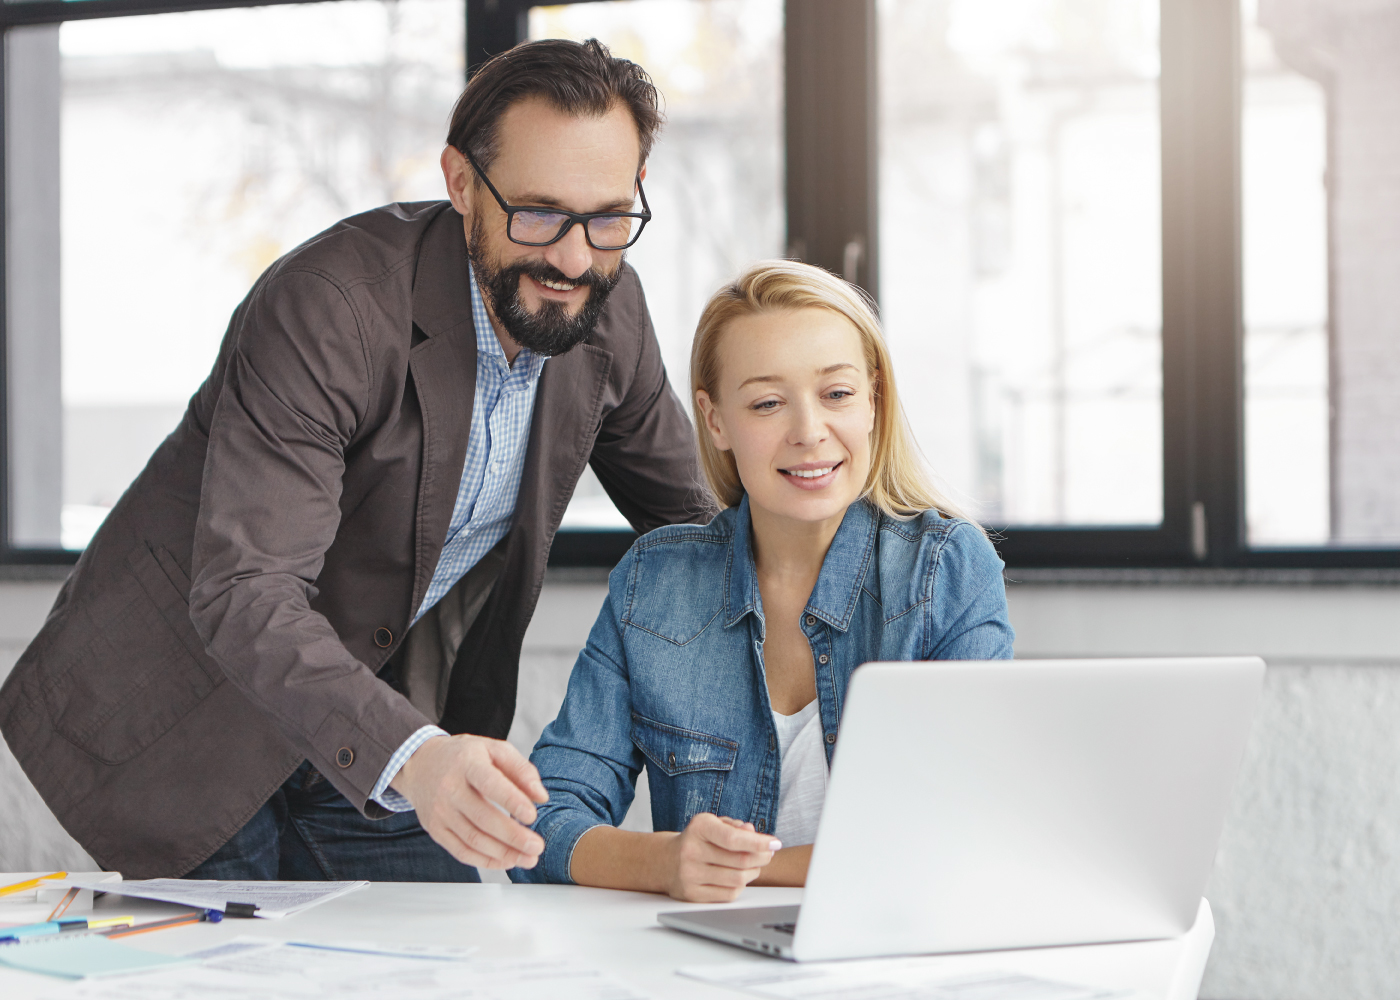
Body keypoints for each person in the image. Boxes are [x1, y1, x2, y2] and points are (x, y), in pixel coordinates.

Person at [0, 38, 705, 881]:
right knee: (246, 976)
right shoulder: (331, 307)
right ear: (459, 182)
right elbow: (246, 589)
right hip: (192, 703)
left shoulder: (608, 311)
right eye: (540, 214)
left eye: (609, 218)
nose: (575, 258)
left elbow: (699, 531)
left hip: (375, 711)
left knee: (437, 964)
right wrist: (416, 758)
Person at [510, 260, 1014, 901]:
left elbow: (960, 833)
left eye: (837, 394)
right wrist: (663, 863)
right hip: (712, 967)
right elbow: (543, 822)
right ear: (715, 420)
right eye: (768, 403)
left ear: (874, 403)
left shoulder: (947, 570)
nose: (808, 432)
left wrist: (734, 869)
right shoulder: (655, 583)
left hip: (897, 953)